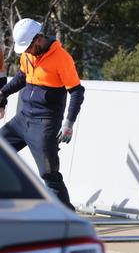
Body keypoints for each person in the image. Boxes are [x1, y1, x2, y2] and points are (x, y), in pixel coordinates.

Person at [0, 18, 85, 211]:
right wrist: (3, 92)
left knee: (49, 174)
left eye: (28, 47)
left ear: (37, 40)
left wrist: (68, 124)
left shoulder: (62, 59)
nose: (26, 52)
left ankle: (67, 217)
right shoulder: (28, 55)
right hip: (22, 119)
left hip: (44, 124)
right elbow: (23, 77)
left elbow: (77, 91)